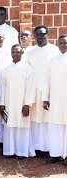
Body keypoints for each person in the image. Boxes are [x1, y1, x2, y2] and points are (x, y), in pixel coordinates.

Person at [25, 25, 60, 155]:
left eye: (42, 34)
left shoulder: (54, 51)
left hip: (49, 90)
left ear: (48, 34)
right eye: (37, 35)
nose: (39, 37)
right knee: (35, 119)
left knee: (47, 120)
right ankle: (36, 147)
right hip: (33, 90)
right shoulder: (30, 51)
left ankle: (48, 148)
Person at [0, 44, 36, 159]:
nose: (15, 54)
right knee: (9, 126)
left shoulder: (28, 69)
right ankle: (10, 151)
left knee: (22, 127)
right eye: (13, 52)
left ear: (22, 53)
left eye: (17, 52)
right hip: (9, 103)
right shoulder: (6, 69)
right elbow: (2, 88)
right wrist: (1, 103)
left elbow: (31, 87)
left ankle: (22, 152)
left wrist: (27, 104)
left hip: (22, 104)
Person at [42, 35, 67, 165]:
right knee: (55, 126)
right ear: (57, 44)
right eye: (61, 43)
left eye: (65, 43)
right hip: (56, 98)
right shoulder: (52, 60)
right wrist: (45, 98)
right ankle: (56, 154)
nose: (64, 45)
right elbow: (46, 80)